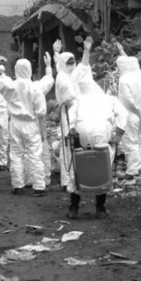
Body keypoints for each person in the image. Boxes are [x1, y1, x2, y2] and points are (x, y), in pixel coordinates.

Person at [67, 67, 127, 219]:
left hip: (83, 139)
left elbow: (70, 118)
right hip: (101, 140)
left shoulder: (78, 100)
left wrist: (71, 129)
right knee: (103, 169)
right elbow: (123, 113)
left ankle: (74, 208)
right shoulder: (108, 98)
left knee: (78, 170)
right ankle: (100, 208)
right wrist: (119, 132)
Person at [0, 51, 47, 196]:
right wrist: (43, 132)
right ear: (30, 70)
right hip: (31, 123)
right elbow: (41, 114)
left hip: (15, 123)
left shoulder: (11, 85)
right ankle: (39, 186)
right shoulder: (35, 88)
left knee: (16, 154)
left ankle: (18, 185)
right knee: (35, 155)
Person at [54, 37, 93, 193]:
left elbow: (82, 67)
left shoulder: (67, 74)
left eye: (72, 63)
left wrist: (86, 51)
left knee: (77, 143)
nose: (71, 66)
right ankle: (66, 180)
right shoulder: (63, 79)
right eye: (68, 63)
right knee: (67, 146)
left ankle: (76, 176)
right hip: (69, 113)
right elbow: (70, 97)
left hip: (76, 112)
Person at [116, 43, 141, 181]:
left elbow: (127, 100)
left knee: (130, 141)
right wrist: (122, 51)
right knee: (139, 138)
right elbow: (131, 63)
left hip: (130, 112)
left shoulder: (124, 80)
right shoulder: (138, 75)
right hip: (140, 110)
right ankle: (140, 165)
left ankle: (133, 170)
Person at [33, 52, 55, 189]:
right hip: (36, 123)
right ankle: (43, 179)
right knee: (41, 151)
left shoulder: (13, 87)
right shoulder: (37, 88)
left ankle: (23, 180)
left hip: (18, 124)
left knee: (21, 153)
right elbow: (49, 80)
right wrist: (48, 65)